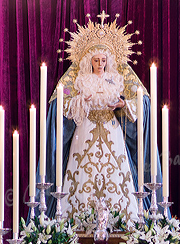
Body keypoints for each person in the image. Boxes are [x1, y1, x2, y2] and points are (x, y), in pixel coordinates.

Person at [40, 14, 161, 223]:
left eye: (103, 60)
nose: (100, 64)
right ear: (89, 60)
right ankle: (76, 220)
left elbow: (139, 101)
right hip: (85, 128)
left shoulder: (116, 78)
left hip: (111, 127)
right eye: (96, 60)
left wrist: (123, 104)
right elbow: (64, 104)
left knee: (115, 173)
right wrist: (81, 101)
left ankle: (121, 220)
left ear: (108, 60)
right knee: (81, 172)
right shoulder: (81, 78)